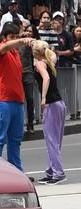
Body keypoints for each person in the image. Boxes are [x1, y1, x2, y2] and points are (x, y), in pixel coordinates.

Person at [0, 22, 33, 171]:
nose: (14, 39)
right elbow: (4, 47)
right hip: (1, 100)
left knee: (15, 141)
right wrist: (20, 40)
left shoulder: (16, 53)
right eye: (11, 37)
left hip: (16, 101)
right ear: (4, 38)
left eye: (16, 36)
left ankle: (17, 173)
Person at [33, 40, 67, 185]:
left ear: (36, 52)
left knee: (52, 141)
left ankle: (58, 173)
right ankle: (51, 171)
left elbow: (45, 78)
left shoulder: (40, 63)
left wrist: (43, 97)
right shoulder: (49, 59)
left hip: (52, 104)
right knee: (55, 141)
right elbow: (51, 53)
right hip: (59, 104)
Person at [20, 24, 38, 134]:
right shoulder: (18, 41)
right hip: (17, 73)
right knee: (18, 100)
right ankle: (18, 124)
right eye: (27, 31)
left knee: (30, 99)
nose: (29, 33)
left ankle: (30, 124)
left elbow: (37, 49)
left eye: (31, 31)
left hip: (28, 73)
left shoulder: (33, 43)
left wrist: (32, 41)